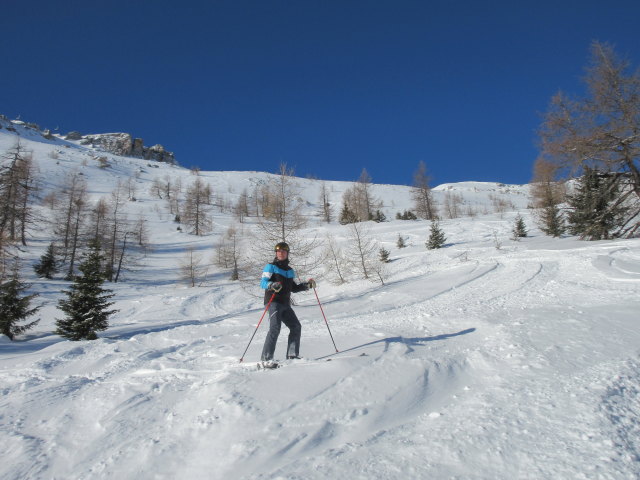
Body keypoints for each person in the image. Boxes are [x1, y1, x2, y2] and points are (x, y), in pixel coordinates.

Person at [260, 241, 316, 368]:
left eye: (283, 251)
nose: (281, 253)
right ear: (276, 253)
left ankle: (292, 355)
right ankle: (266, 359)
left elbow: (293, 288)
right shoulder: (270, 267)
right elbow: (263, 282)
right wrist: (272, 285)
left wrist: (306, 285)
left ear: (287, 253)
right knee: (275, 328)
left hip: (285, 303)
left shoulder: (290, 271)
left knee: (296, 326)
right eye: (278, 251)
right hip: (273, 301)